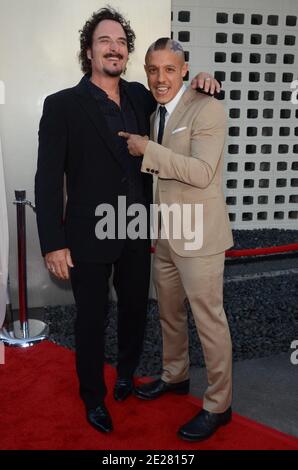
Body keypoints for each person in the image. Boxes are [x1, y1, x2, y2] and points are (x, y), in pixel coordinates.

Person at [35, 7, 220, 435]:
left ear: (127, 51)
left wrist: (203, 80)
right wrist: (52, 242)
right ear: (89, 51)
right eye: (105, 41)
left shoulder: (140, 95)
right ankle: (92, 397)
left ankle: (124, 375)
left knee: (136, 310)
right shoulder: (62, 105)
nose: (114, 48)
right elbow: (47, 179)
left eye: (120, 42)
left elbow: (175, 94)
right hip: (87, 230)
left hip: (136, 225)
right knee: (92, 317)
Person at [120, 38, 233, 442]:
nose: (160, 78)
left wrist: (147, 149)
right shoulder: (157, 112)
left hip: (200, 235)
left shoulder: (208, 107)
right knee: (170, 312)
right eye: (153, 69)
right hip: (168, 232)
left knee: (210, 322)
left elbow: (202, 172)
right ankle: (176, 376)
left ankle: (219, 405)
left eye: (169, 69)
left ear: (185, 70)